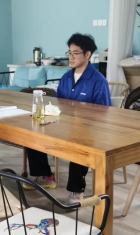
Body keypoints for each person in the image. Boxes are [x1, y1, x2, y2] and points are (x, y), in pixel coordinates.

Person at [27, 33, 111, 203]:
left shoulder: (98, 81)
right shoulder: (66, 77)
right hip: (64, 125)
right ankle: (45, 176)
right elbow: (59, 104)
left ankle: (76, 189)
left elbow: (103, 113)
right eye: (69, 53)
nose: (71, 57)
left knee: (80, 143)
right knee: (32, 133)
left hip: (88, 130)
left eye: (75, 53)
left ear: (87, 55)